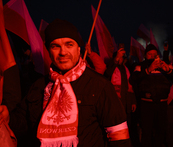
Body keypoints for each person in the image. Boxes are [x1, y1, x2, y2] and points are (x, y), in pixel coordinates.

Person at [0, 19, 132, 147]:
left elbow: (119, 136)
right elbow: (25, 124)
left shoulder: (99, 85)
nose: (63, 52)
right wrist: (8, 118)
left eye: (69, 44)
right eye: (55, 46)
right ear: (49, 51)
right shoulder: (39, 86)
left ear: (78, 49)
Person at [129, 44, 173, 147]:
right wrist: (148, 69)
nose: (152, 56)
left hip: (162, 104)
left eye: (154, 54)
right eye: (150, 54)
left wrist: (168, 70)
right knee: (147, 131)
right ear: (145, 55)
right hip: (146, 104)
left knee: (160, 130)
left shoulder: (164, 65)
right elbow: (133, 79)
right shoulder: (141, 66)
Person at [104, 43, 137, 145]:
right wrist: (115, 60)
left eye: (122, 57)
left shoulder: (126, 69)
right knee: (116, 128)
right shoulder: (111, 68)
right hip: (115, 102)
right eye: (119, 57)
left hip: (126, 103)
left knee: (128, 127)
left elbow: (130, 87)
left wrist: (133, 101)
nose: (121, 59)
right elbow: (107, 74)